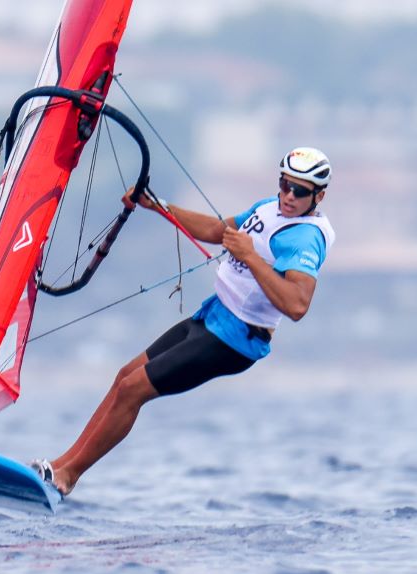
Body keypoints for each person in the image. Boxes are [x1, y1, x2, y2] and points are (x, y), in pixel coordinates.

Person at [32, 147, 336, 496]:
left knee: (133, 389)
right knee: (124, 376)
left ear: (319, 196)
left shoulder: (306, 237)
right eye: (284, 185)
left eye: (299, 191)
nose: (288, 196)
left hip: (235, 340)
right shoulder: (269, 208)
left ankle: (68, 477)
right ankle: (59, 465)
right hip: (212, 316)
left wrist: (250, 256)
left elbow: (297, 305)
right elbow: (217, 230)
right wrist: (159, 206)